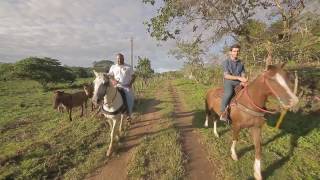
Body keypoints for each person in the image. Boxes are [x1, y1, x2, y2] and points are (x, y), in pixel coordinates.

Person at [220, 44, 247, 122]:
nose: (236, 53)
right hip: (229, 82)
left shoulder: (241, 63)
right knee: (229, 93)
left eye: (238, 51)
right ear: (230, 52)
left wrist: (243, 80)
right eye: (234, 51)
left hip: (239, 82)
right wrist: (238, 78)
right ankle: (223, 112)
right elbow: (226, 76)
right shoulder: (226, 62)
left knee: (250, 91)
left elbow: (243, 73)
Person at [108, 53, 136, 120]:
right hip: (116, 86)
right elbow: (110, 75)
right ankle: (108, 112)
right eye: (118, 59)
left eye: (121, 59)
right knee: (108, 96)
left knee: (129, 100)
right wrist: (113, 80)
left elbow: (134, 76)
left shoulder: (128, 67)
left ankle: (128, 114)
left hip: (126, 87)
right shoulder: (113, 67)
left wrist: (130, 84)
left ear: (123, 59)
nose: (119, 60)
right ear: (116, 59)